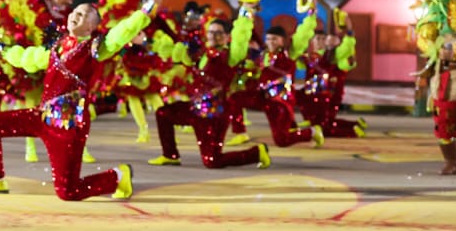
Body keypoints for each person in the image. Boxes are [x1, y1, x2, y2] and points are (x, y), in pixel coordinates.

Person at [0, 0, 166, 200]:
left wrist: (152, 2)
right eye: (75, 12)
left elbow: (125, 30)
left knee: (68, 192)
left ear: (92, 26)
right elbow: (25, 57)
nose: (75, 15)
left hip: (68, 126)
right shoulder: (56, 48)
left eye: (83, 15)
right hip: (41, 117)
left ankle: (118, 177)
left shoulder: (98, 48)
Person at [149, 15, 271, 170]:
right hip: (195, 109)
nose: (214, 36)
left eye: (218, 33)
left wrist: (246, 11)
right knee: (163, 113)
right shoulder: (201, 54)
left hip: (215, 115)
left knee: (212, 161)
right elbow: (180, 54)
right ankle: (170, 155)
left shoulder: (231, 56)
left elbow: (241, 37)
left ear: (227, 37)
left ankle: (256, 153)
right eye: (211, 32)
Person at [230, 19, 323, 150]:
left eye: (274, 39)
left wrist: (311, 14)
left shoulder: (289, 53)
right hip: (263, 98)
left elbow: (303, 34)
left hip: (280, 103)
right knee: (234, 98)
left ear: (283, 41)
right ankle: (240, 133)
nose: (270, 42)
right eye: (268, 39)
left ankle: (312, 132)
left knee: (281, 140)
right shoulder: (264, 55)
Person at [415, 0, 456, 175]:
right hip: (449, 74)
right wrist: (435, 49)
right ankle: (451, 161)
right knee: (445, 118)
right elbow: (424, 36)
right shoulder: (438, 6)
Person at [297, 14, 365, 139]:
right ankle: (354, 125)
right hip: (310, 95)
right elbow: (297, 62)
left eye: (323, 39)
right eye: (317, 39)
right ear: (312, 41)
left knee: (325, 124)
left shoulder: (332, 54)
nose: (320, 41)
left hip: (326, 96)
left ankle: (352, 130)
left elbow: (347, 49)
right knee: (297, 96)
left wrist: (349, 32)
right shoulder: (309, 57)